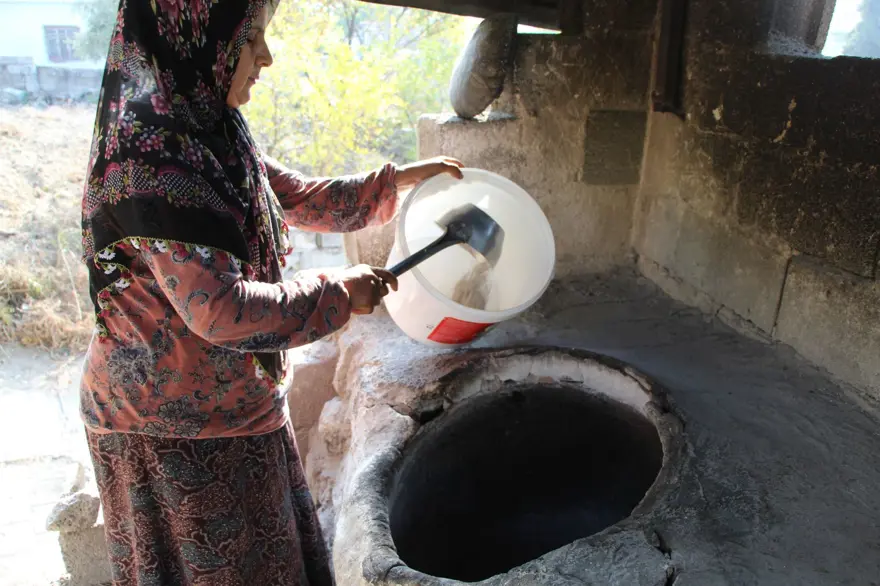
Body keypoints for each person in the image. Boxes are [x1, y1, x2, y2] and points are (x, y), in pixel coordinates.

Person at [79, 0, 463, 584]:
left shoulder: (210, 131)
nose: (267, 56)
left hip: (237, 406)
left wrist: (399, 181)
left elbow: (296, 196)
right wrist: (336, 293)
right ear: (201, 37)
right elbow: (222, 312)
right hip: (170, 432)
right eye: (251, 37)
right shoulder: (150, 163)